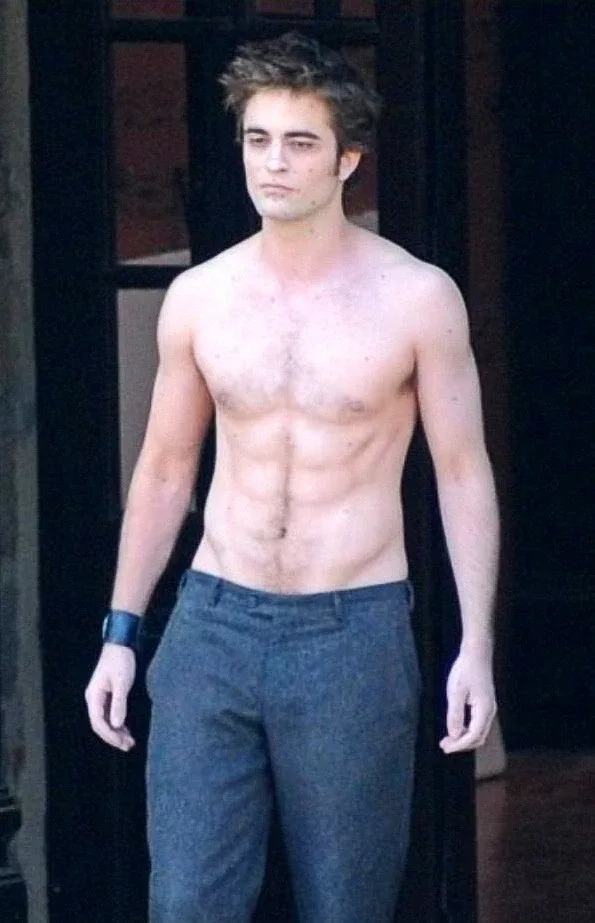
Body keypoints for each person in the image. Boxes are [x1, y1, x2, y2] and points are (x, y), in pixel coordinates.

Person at [86, 31, 498, 923]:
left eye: (300, 142)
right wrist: (121, 630)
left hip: (349, 630)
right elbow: (164, 470)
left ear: (347, 159)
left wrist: (475, 644)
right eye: (257, 139)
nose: (272, 162)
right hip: (212, 624)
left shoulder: (416, 297)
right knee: (186, 902)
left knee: (345, 904)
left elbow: (461, 472)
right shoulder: (201, 297)